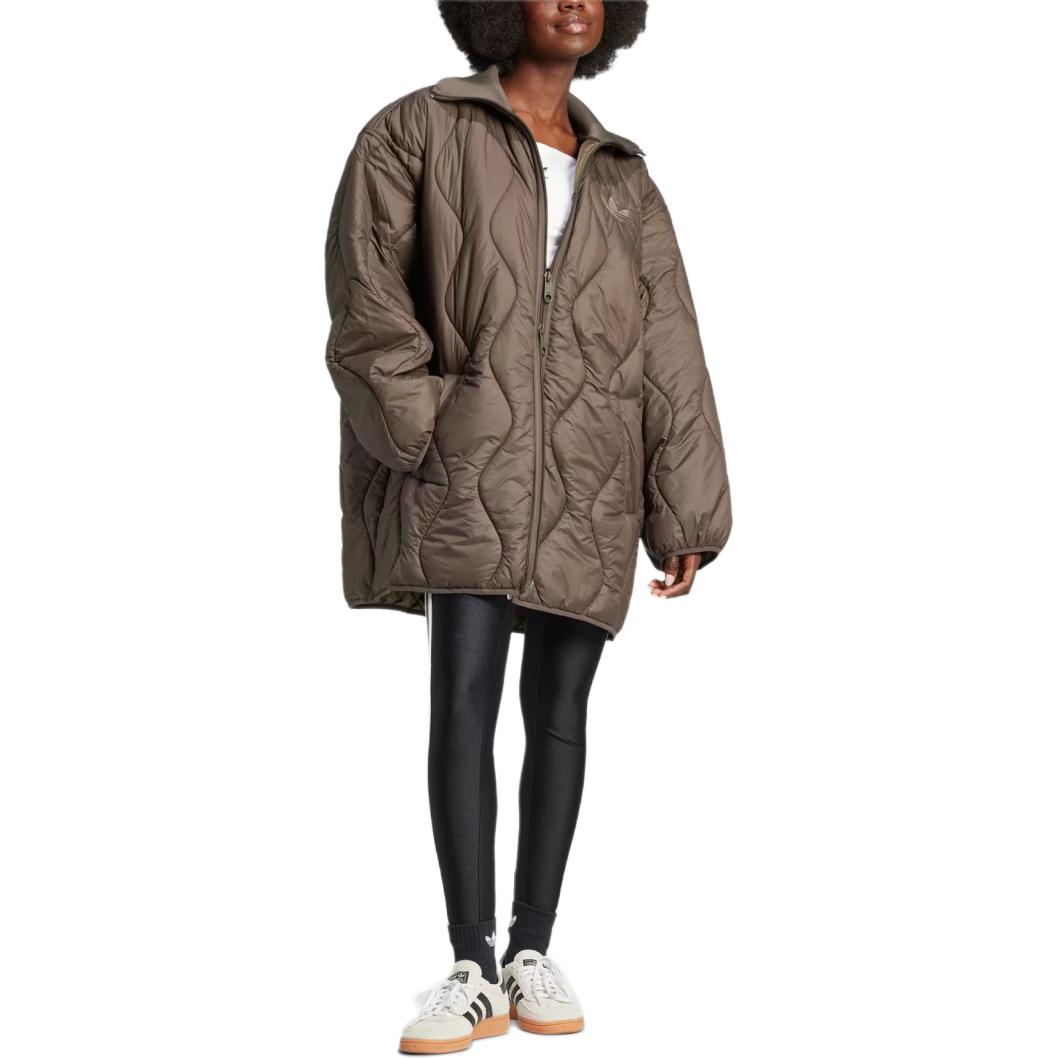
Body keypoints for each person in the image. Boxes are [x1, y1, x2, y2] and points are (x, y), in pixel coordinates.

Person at [324, 1, 731, 1051]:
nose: (572, 0)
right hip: (470, 469)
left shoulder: (624, 177)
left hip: (593, 476)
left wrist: (684, 503)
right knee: (462, 704)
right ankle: (469, 964)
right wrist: (429, 428)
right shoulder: (417, 129)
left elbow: (670, 348)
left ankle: (530, 951)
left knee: (560, 713)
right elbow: (367, 297)